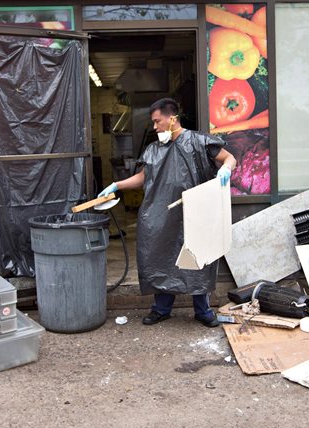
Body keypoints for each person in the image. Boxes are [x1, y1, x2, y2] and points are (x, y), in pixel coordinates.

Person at [98, 98, 236, 327]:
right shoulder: (154, 149)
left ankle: (203, 311)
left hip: (195, 212)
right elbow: (143, 178)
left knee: (197, 257)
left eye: (157, 121)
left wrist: (225, 169)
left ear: (172, 119)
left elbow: (229, 157)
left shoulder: (199, 141)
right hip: (160, 214)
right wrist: (116, 185)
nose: (154, 127)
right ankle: (161, 309)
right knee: (160, 257)